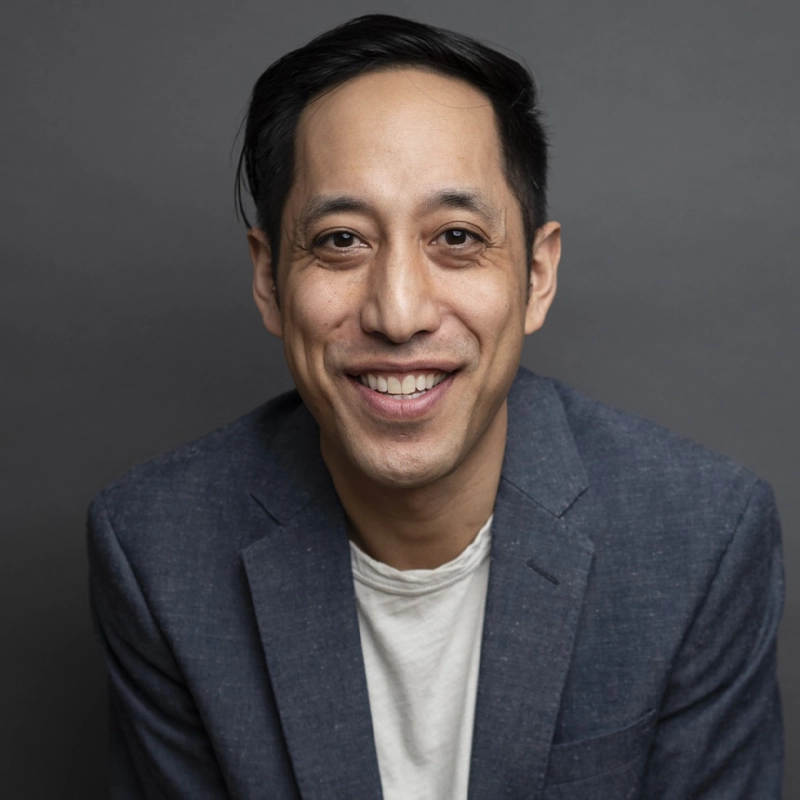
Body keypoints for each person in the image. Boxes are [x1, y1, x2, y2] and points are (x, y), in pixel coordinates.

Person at [87, 14, 784, 799]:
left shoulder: (699, 539)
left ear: (538, 275)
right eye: (341, 241)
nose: (399, 312)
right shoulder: (156, 549)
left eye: (456, 235)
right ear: (269, 279)